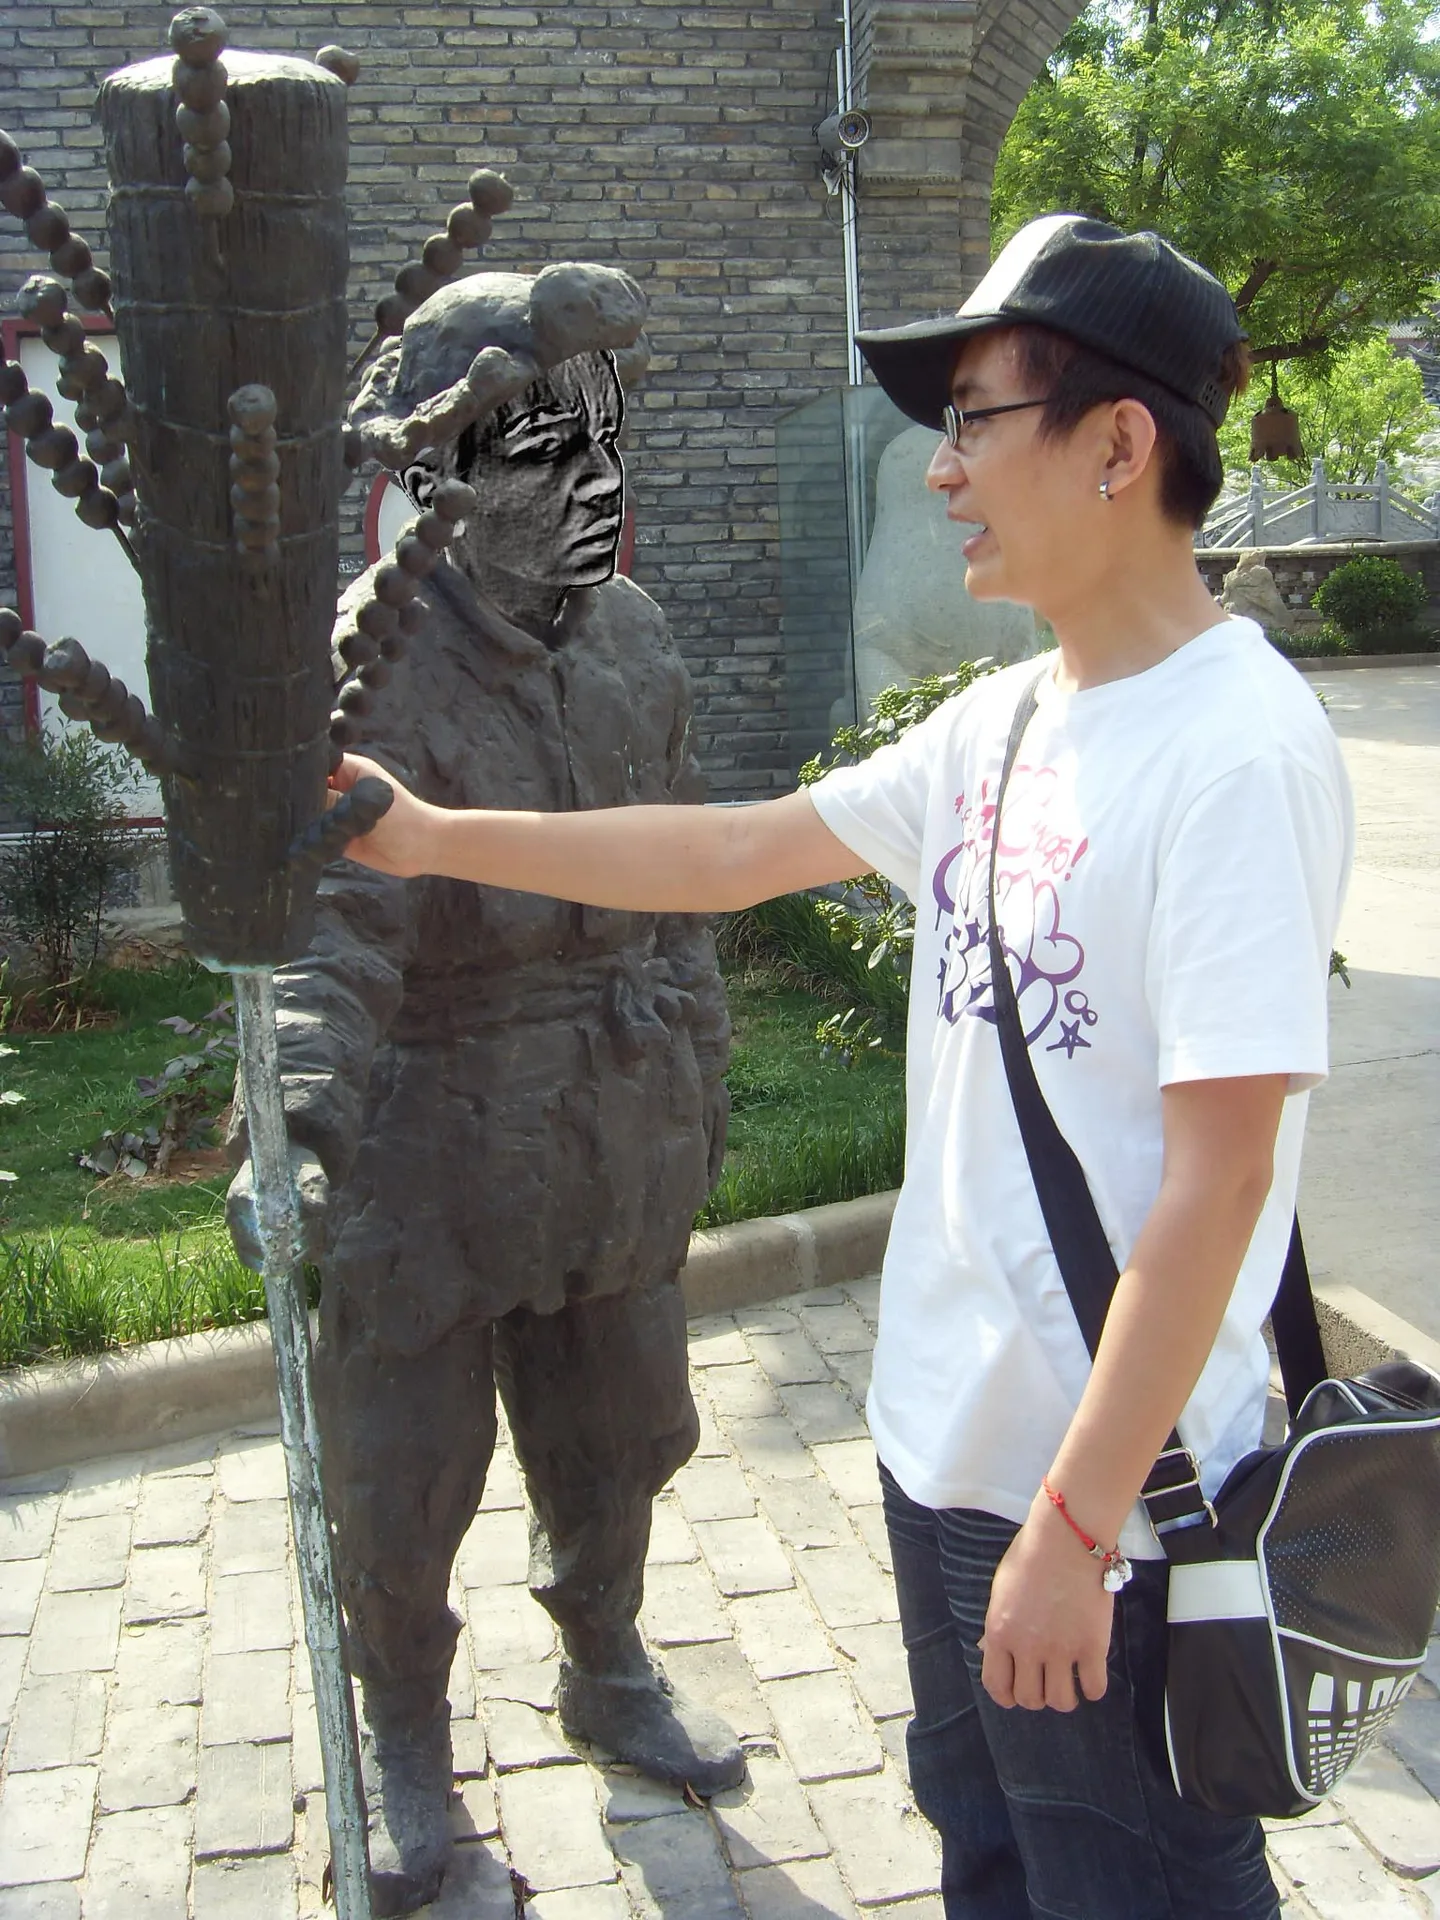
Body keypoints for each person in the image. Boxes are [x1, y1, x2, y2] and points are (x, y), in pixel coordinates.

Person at [329, 217, 1353, 1919]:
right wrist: (433, 835)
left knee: (1134, 1882)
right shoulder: (1007, 721)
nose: (941, 470)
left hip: (1110, 1502)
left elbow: (1222, 1179)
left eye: (976, 422)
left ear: (1118, 445)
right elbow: (733, 849)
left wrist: (1079, 1526)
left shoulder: (1236, 755)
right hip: (944, 1453)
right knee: (993, 1862)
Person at [227, 268, 742, 1918]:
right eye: (547, 454)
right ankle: (407, 1751)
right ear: (440, 478)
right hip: (431, 1144)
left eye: (612, 442)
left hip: (614, 1122)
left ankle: (606, 1667)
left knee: (629, 1437)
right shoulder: (369, 665)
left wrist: (701, 1063)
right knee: (402, 1490)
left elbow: (684, 866)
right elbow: (325, 933)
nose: (601, 484)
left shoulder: (637, 638)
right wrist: (298, 1123)